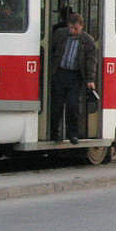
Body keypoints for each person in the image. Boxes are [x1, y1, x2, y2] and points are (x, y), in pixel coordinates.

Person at [50, 12, 97, 144]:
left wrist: (90, 80)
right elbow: (51, 50)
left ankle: (72, 134)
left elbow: (91, 61)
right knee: (57, 105)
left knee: (73, 106)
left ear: (81, 26)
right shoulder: (60, 34)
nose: (72, 31)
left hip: (75, 76)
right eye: (70, 28)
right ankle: (55, 133)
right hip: (59, 73)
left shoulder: (88, 41)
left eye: (75, 28)